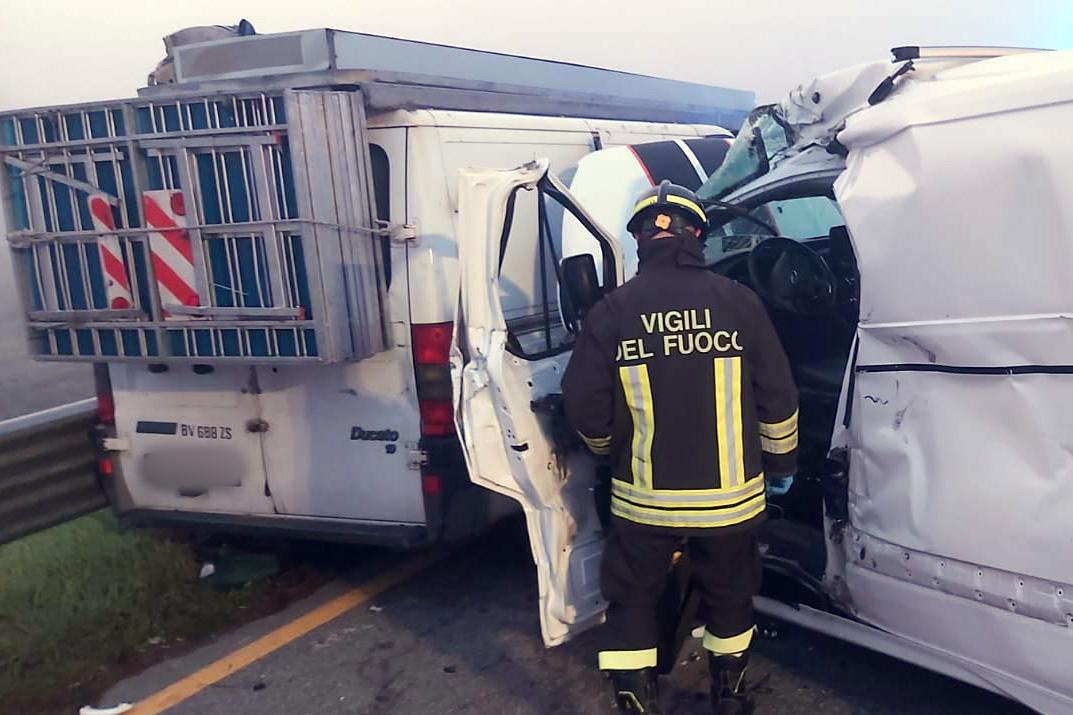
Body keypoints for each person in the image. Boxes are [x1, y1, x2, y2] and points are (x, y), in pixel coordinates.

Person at [562, 181, 798, 714]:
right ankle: (730, 693)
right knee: (731, 592)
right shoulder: (740, 303)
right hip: (733, 501)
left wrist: (609, 449)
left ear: (642, 240)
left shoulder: (612, 311)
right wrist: (780, 464)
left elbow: (583, 405)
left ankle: (636, 701)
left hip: (645, 504)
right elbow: (778, 399)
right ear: (698, 237)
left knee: (632, 596)